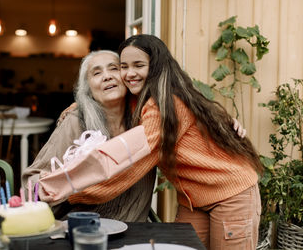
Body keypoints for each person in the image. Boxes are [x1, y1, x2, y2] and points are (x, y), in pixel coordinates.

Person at [67, 35, 263, 250]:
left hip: (230, 193)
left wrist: (69, 190)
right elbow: (108, 100)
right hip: (193, 200)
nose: (130, 73)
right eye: (124, 66)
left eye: (139, 65)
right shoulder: (139, 98)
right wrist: (78, 109)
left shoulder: (165, 105)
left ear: (156, 67)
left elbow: (130, 167)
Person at [22, 50, 157, 222]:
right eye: (97, 73)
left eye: (113, 69)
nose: (107, 76)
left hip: (135, 231)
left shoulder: (148, 120)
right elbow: (31, 180)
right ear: (88, 90)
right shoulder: (76, 122)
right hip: (84, 229)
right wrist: (60, 186)